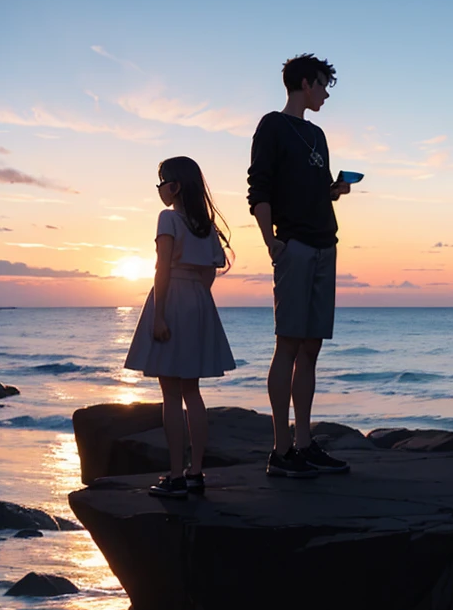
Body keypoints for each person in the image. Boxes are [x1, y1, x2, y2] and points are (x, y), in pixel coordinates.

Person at [247, 53, 354, 477]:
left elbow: (312, 186)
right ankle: (281, 450)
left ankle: (304, 443)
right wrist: (271, 242)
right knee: (288, 344)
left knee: (311, 347)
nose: (326, 94)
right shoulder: (272, 125)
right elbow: (260, 186)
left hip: (325, 242)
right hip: (293, 245)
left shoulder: (318, 135)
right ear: (306, 83)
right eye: (324, 85)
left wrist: (334, 190)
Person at [124, 156, 236, 498]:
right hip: (199, 302)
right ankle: (196, 472)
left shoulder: (168, 219)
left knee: (171, 394)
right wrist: (196, 303)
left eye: (161, 181)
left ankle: (175, 475)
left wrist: (160, 314)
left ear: (174, 185)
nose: (159, 189)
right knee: (193, 391)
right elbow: (208, 274)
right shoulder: (206, 226)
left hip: (171, 297)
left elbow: (162, 268)